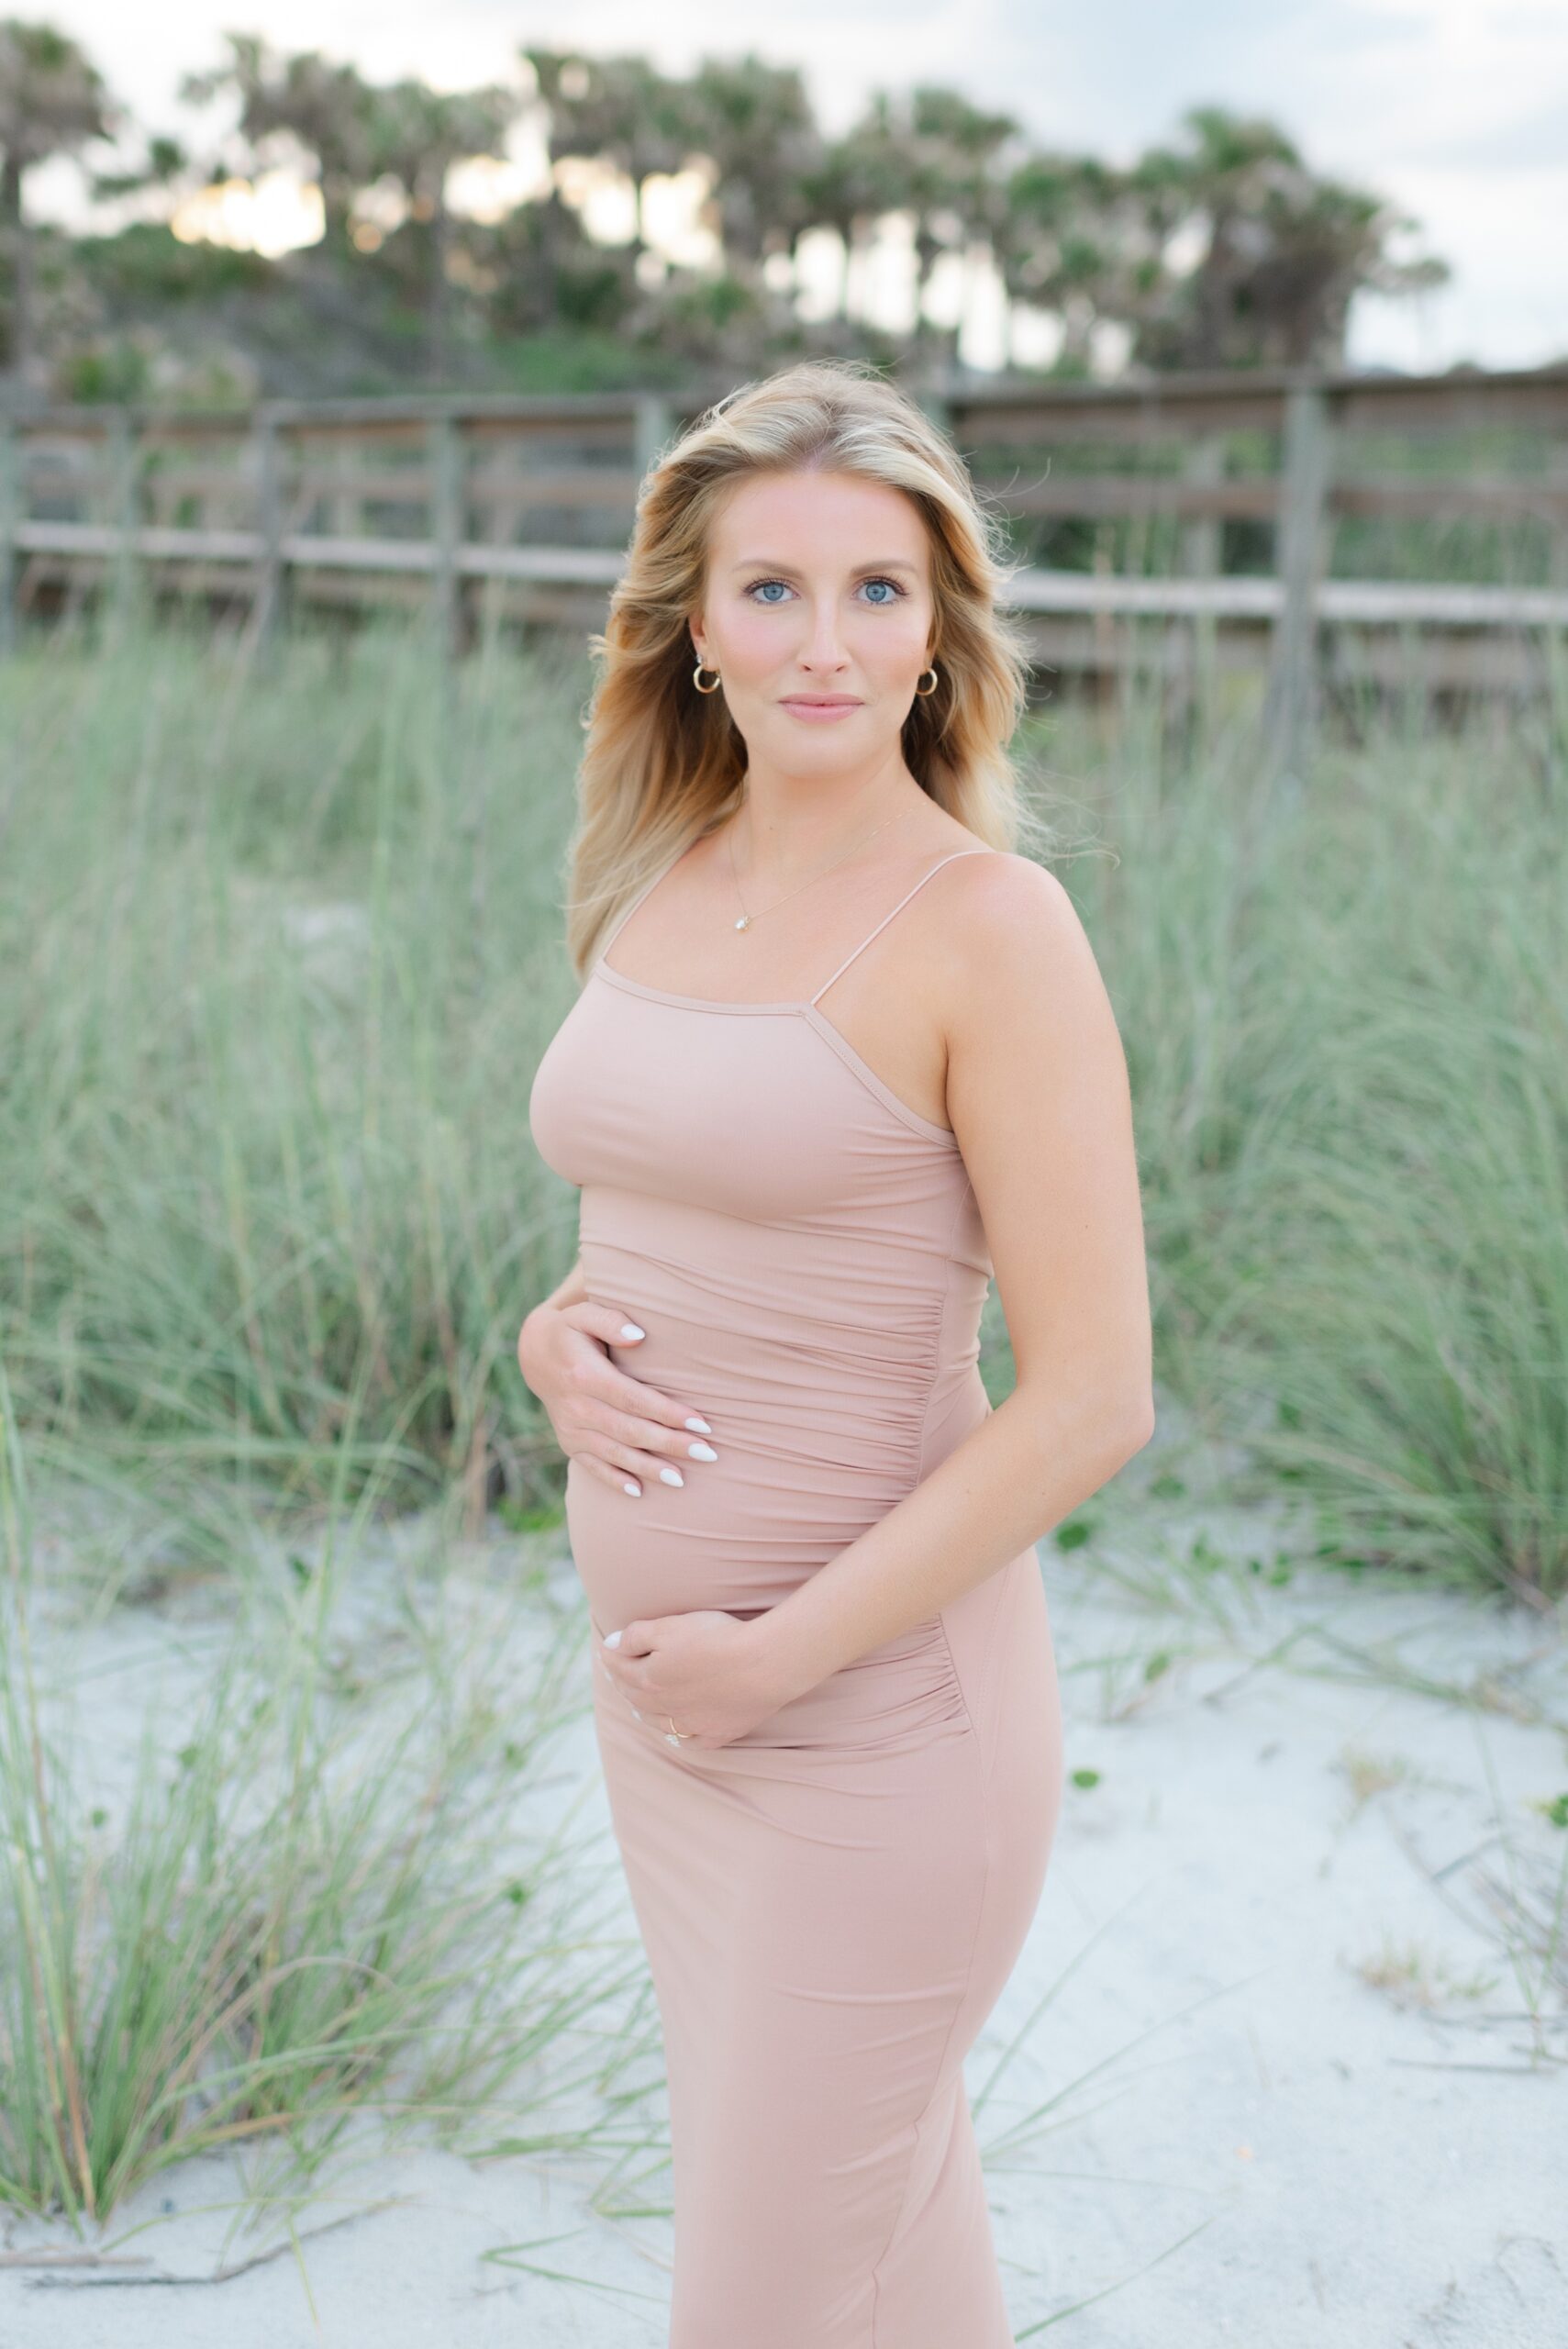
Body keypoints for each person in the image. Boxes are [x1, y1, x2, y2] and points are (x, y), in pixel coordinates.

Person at [521, 357, 1153, 2347]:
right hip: (676, 1720)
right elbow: (667, 1209)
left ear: (941, 627)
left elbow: (1094, 1393)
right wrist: (552, 1342)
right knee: (877, 2266)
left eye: (878, 588)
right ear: (693, 627)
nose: (826, 639)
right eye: (772, 588)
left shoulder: (991, 926)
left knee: (766, 2299)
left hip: (873, 1734)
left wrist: (781, 1653)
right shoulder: (662, 875)